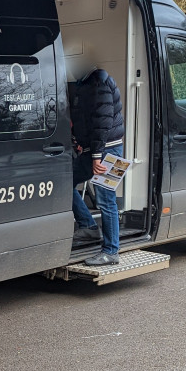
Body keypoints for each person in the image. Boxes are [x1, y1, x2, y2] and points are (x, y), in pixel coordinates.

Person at [69, 52, 125, 265]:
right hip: (95, 150)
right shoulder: (86, 83)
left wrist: (95, 157)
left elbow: (102, 123)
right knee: (67, 183)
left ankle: (111, 251)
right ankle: (88, 226)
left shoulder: (100, 83)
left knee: (105, 199)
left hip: (108, 151)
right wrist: (79, 141)